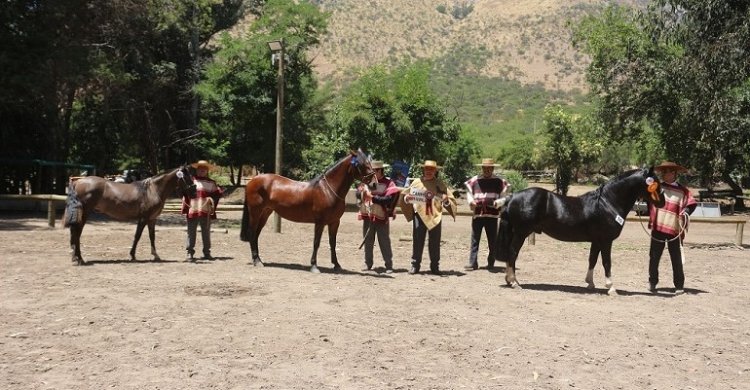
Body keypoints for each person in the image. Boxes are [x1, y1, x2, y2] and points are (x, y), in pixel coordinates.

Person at [399, 160, 457, 275]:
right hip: (419, 216)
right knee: (417, 241)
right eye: (427, 169)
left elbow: (450, 201)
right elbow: (405, 197)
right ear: (423, 170)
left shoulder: (440, 184)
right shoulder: (416, 182)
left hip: (435, 217)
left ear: (435, 171)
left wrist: (445, 201)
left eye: (431, 169)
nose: (429, 171)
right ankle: (415, 265)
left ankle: (435, 266)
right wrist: (407, 199)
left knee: (435, 242)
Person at [647, 161, 697, 295]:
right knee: (654, 256)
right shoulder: (657, 188)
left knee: (676, 257)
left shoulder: (683, 191)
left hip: (674, 228)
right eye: (663, 172)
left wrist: (686, 211)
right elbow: (648, 197)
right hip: (658, 227)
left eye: (667, 172)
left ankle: (679, 285)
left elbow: (691, 203)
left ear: (674, 173)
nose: (664, 174)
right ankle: (652, 282)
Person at [464, 158, 509, 271]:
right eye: (485, 168)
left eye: (489, 168)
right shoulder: (475, 181)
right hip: (478, 214)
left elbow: (504, 196)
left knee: (492, 240)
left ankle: (491, 262)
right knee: (475, 239)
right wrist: (471, 202)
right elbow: (469, 193)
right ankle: (473, 262)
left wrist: (498, 203)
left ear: (493, 169)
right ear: (482, 168)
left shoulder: (499, 181)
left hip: (492, 216)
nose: (487, 170)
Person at [356, 160, 400, 273]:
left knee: (384, 241)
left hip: (381, 216)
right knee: (368, 241)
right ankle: (368, 264)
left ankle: (389, 265)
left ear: (380, 170)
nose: (372, 173)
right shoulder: (366, 183)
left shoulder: (389, 183)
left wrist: (373, 198)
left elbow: (388, 199)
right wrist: (361, 193)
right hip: (368, 215)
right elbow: (358, 194)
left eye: (374, 171)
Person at [182, 160, 223, 261]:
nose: (202, 171)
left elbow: (217, 195)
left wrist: (212, 200)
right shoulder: (190, 181)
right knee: (191, 232)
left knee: (206, 232)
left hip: (206, 211)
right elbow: (184, 192)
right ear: (197, 170)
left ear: (207, 171)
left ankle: (207, 252)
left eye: (204, 169)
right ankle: (190, 252)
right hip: (193, 210)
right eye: (200, 169)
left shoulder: (211, 183)